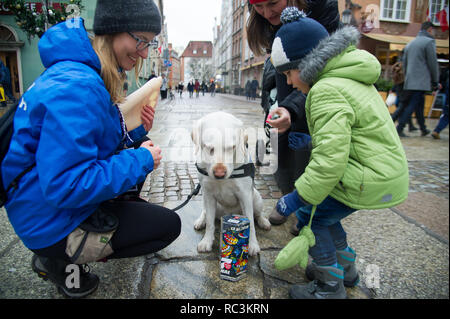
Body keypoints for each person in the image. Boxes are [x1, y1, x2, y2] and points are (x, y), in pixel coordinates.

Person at [1, 0, 181, 298]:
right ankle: (60, 261)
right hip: (49, 222)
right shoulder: (79, 87)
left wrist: (135, 133)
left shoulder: (76, 71)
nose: (145, 53)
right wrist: (141, 160)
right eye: (140, 41)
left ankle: (71, 244)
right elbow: (66, 186)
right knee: (165, 226)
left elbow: (88, 142)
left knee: (137, 161)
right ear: (113, 31)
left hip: (34, 204)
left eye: (150, 44)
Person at [270, 7, 409, 299]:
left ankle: (328, 285)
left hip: (367, 176)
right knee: (327, 214)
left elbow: (329, 162)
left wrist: (295, 199)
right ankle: (345, 268)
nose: (290, 83)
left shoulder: (325, 90)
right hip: (382, 173)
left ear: (308, 64)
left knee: (312, 217)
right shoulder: (347, 78)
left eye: (289, 73)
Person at [246, 0, 340, 227]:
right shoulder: (267, 22)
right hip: (291, 71)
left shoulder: (322, 6)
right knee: (286, 137)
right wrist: (285, 105)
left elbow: (324, 66)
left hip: (318, 78)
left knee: (315, 144)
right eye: (258, 8)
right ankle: (292, 196)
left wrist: (292, 106)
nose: (267, 13)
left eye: (272, 3)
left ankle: (310, 209)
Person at [396, 21, 440, 137]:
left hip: (410, 80)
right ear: (430, 29)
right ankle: (399, 128)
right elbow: (432, 63)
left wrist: (407, 77)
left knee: (418, 104)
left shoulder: (410, 43)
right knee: (412, 105)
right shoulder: (428, 42)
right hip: (421, 81)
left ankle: (423, 128)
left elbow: (404, 63)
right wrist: (435, 80)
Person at [432, 66, 449, 139]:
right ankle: (437, 131)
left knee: (446, 115)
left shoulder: (446, 70)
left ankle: (437, 130)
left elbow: (442, 84)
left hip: (448, 96)